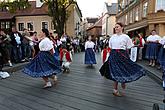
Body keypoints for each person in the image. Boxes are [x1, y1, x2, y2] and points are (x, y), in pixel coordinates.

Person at [99, 22, 145, 96]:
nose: (116, 28)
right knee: (115, 71)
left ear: (122, 27)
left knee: (123, 69)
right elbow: (110, 46)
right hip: (114, 55)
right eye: (115, 27)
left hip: (122, 55)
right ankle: (115, 89)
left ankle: (123, 81)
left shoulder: (126, 37)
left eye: (117, 27)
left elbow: (129, 46)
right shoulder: (112, 37)